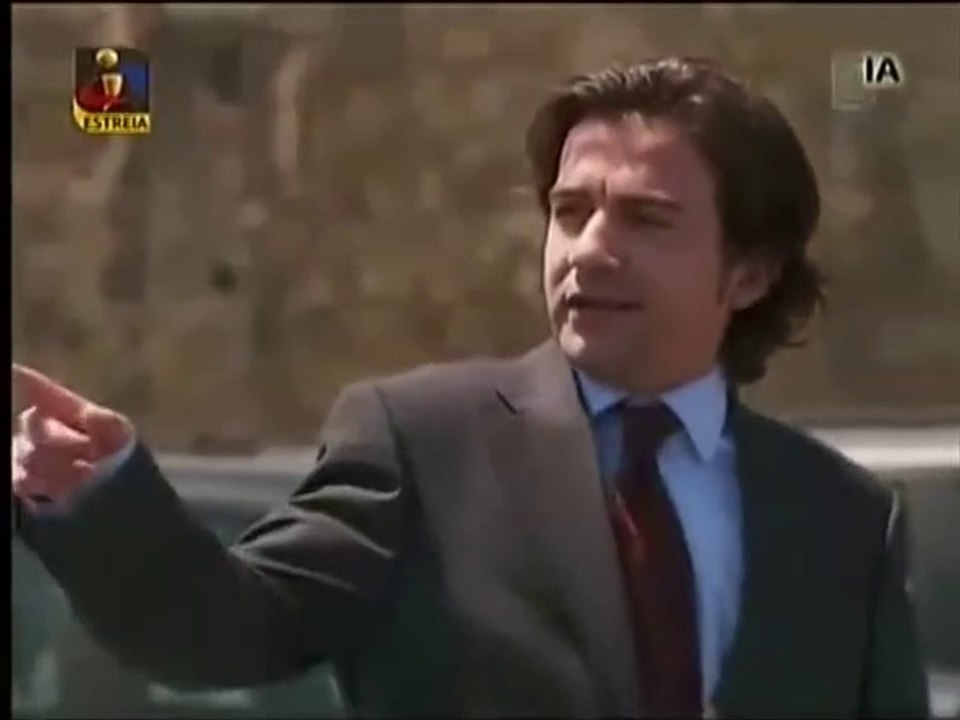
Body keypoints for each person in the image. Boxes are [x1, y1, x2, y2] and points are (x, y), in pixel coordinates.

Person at [12, 57, 930, 718]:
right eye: (570, 211)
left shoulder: (841, 518)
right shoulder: (425, 443)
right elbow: (221, 632)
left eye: (647, 220)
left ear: (750, 273)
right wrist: (104, 500)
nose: (589, 250)